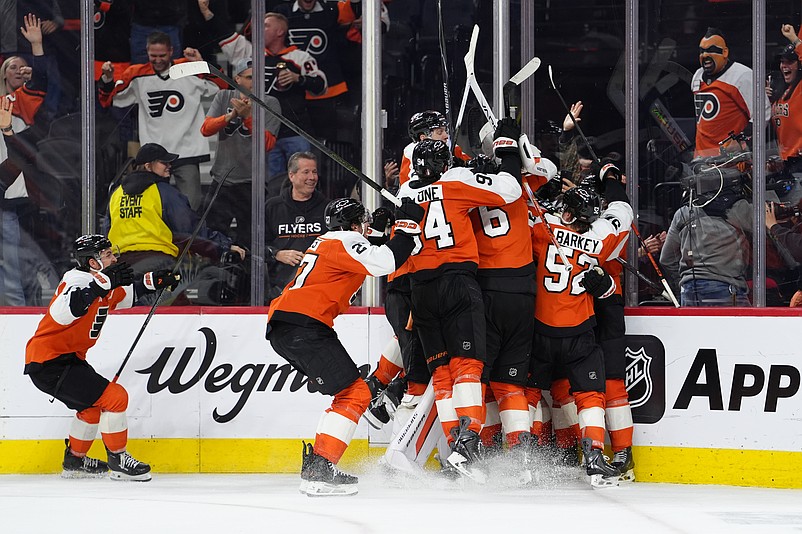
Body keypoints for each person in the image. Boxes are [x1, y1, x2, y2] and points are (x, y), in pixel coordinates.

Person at [266, 196, 424, 496]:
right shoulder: (346, 240)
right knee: (356, 393)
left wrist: (377, 232)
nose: (365, 226)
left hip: (288, 326)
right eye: (362, 222)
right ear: (352, 225)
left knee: (346, 393)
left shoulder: (331, 241)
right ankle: (321, 470)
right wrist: (406, 226)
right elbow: (384, 262)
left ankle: (318, 465)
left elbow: (366, 254)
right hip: (305, 326)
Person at [396, 119, 524, 481]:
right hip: (456, 282)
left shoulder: (404, 193)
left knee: (441, 374)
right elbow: (510, 190)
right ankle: (468, 446)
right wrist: (497, 159)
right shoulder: (455, 180)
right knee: (467, 365)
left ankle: (456, 448)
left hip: (420, 289)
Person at [24, 234, 180, 481]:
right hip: (49, 361)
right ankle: (118, 459)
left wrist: (156, 281)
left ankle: (75, 461)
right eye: (108, 254)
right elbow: (63, 312)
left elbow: (129, 294)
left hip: (62, 360)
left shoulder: (102, 285)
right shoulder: (76, 280)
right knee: (116, 398)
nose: (114, 258)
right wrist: (101, 285)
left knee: (90, 409)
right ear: (92, 262)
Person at [527, 171, 633, 487]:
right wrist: (611, 181)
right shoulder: (601, 234)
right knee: (585, 391)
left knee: (533, 391)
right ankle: (591, 453)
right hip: (584, 318)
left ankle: (527, 456)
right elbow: (622, 213)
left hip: (550, 321)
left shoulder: (544, 228)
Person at [106, 143, 246, 303]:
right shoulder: (164, 192)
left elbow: (107, 232)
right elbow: (191, 230)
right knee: (178, 312)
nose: (169, 166)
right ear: (148, 166)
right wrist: (224, 246)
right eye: (163, 162)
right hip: (157, 264)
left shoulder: (116, 194)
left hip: (123, 267)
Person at [98, 31, 223, 210]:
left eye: (162, 55)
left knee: (191, 207)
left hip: (186, 151)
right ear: (147, 51)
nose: (157, 60)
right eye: (153, 55)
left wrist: (201, 64)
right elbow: (111, 99)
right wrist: (108, 78)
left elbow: (221, 86)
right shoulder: (137, 74)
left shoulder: (188, 69)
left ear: (171, 51)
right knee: (153, 206)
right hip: (154, 154)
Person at [212, 11, 327, 180]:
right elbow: (228, 39)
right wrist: (208, 14)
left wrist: (298, 78)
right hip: (266, 133)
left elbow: (321, 85)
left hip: (295, 132)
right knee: (271, 184)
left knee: (302, 181)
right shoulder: (252, 55)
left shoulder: (300, 57)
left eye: (265, 25)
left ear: (280, 31)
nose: (259, 28)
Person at [201, 57, 281, 248]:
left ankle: (247, 268)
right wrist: (230, 116)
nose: (256, 82)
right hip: (222, 179)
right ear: (237, 79)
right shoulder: (224, 97)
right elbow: (206, 129)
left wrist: (247, 118)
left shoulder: (271, 103)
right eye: (250, 77)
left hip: (252, 183)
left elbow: (267, 144)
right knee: (212, 238)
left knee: (250, 240)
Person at [0, 14, 44, 306]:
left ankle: (18, 310)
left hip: (12, 192)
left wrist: (37, 46)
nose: (17, 69)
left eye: (21, 66)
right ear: (3, 74)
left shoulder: (22, 101)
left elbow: (41, 82)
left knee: (15, 260)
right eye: (11, 66)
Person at [659, 180, 752, 306]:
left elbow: (667, 258)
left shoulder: (683, 213)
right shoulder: (740, 208)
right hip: (727, 289)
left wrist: (684, 283)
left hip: (689, 291)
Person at [274, 0, 351, 142]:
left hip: (327, 90)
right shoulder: (282, 11)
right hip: (292, 94)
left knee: (326, 142)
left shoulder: (333, 9)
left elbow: (353, 17)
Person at [691, 27, 770, 158]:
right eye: (702, 51)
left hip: (731, 161)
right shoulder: (697, 76)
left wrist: (741, 141)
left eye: (711, 50)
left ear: (725, 52)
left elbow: (762, 111)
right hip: (701, 159)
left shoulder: (742, 75)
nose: (704, 55)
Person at [265, 151, 329, 303]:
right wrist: (277, 254)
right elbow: (256, 245)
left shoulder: (328, 208)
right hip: (279, 290)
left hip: (320, 289)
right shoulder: (272, 207)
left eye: (314, 172)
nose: (312, 177)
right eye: (306, 172)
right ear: (291, 176)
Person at [767, 25, 802, 174]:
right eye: (782, 61)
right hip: (785, 162)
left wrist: (794, 39)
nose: (784, 66)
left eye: (790, 62)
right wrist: (766, 102)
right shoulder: (781, 93)